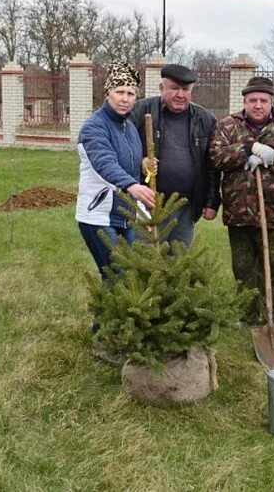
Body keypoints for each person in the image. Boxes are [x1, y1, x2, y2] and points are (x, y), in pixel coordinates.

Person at [210, 76, 274, 326]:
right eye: (252, 100)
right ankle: (248, 317)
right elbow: (217, 156)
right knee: (243, 269)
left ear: (271, 101)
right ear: (244, 101)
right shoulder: (228, 126)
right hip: (238, 211)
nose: (257, 105)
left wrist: (273, 158)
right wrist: (247, 149)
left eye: (263, 100)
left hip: (273, 210)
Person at [75, 58, 155, 338]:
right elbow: (104, 162)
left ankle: (112, 332)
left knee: (125, 274)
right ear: (107, 93)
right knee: (116, 274)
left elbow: (130, 165)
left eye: (130, 93)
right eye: (119, 91)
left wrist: (143, 167)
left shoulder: (129, 128)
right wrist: (132, 185)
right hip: (97, 215)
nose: (125, 98)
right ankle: (103, 336)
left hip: (124, 214)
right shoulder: (94, 127)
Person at [130, 64, 220, 247]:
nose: (181, 94)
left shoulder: (205, 119)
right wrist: (140, 162)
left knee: (179, 261)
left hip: (186, 206)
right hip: (149, 204)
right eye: (174, 88)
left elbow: (212, 165)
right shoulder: (140, 111)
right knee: (145, 257)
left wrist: (211, 202)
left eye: (185, 89)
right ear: (161, 88)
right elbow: (123, 149)